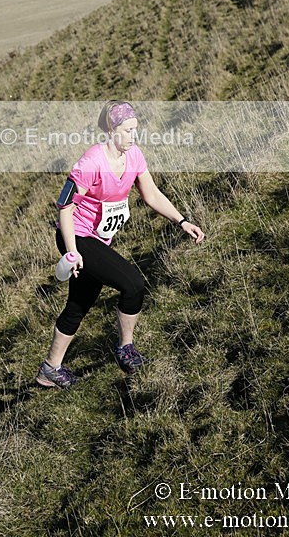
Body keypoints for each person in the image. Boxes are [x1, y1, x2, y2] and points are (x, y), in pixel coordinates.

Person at [36, 100, 205, 389]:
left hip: (97, 240)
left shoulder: (135, 156)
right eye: (128, 130)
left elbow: (151, 194)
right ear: (112, 130)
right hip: (76, 237)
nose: (133, 136)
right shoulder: (90, 163)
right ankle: (126, 349)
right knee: (133, 285)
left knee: (79, 304)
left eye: (135, 130)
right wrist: (73, 250)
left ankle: (50, 370)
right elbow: (64, 207)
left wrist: (181, 221)